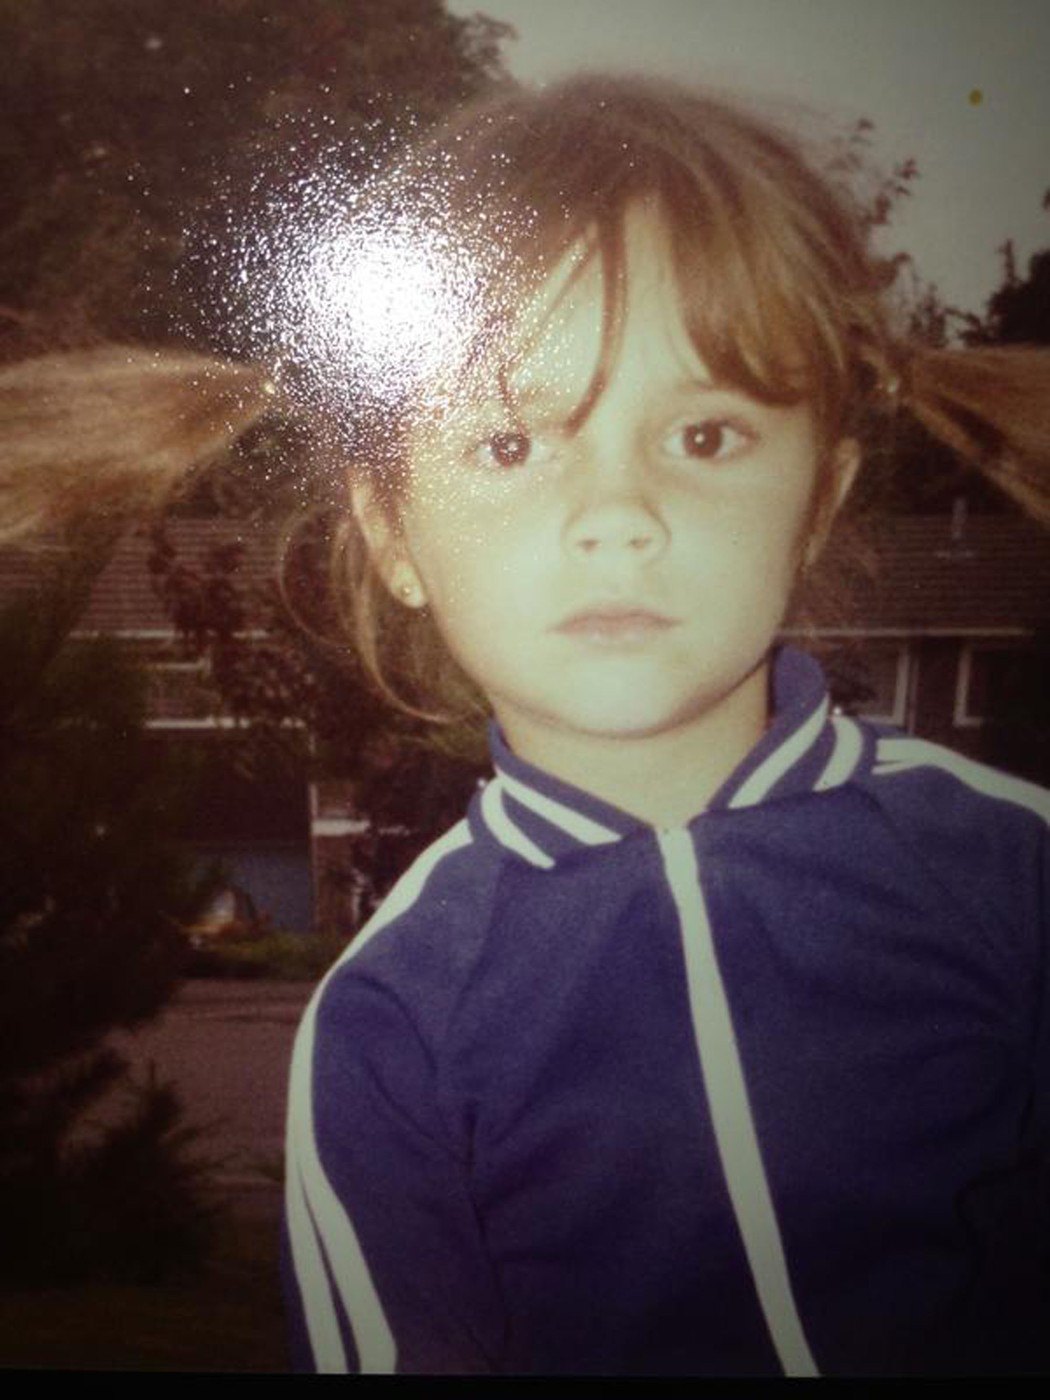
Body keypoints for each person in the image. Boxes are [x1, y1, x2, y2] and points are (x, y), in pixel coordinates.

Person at [2, 73, 1049, 1376]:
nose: (616, 516)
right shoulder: (394, 1018)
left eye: (705, 435)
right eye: (509, 446)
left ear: (820, 498)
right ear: (393, 534)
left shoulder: (1012, 874)